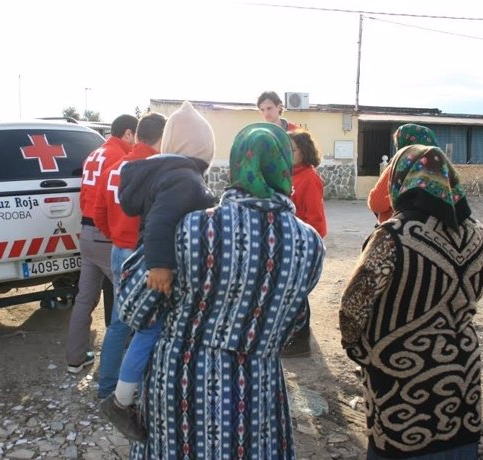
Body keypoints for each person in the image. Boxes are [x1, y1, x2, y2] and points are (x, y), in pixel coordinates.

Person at [116, 122, 325, 458]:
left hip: (181, 388)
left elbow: (132, 308)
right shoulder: (310, 245)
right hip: (257, 390)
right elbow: (295, 323)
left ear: (237, 164)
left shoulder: (194, 227)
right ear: (284, 166)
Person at [339, 144, 483, 459]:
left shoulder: (392, 235)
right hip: (462, 379)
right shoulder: (482, 238)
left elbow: (352, 310)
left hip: (402, 386)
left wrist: (364, 354)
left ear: (400, 179)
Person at [95, 101, 217, 413]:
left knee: (137, 326)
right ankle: (121, 400)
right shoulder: (183, 178)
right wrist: (160, 266)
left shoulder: (166, 173)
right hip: (158, 267)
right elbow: (162, 221)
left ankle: (127, 391)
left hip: (141, 257)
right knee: (148, 330)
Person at [65, 114, 138, 374]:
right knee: (126, 300)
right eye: (135, 136)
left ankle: (75, 358)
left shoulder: (94, 154)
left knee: (85, 298)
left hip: (86, 233)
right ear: (127, 134)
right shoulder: (118, 157)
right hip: (105, 234)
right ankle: (116, 366)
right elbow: (116, 200)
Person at [281, 128, 327, 358]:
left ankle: (301, 343)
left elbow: (316, 219)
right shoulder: (291, 174)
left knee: (298, 294)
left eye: (293, 149)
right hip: (291, 242)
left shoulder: (309, 178)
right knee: (291, 292)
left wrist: (304, 243)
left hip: (302, 244)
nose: (288, 153)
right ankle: (293, 337)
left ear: (304, 151)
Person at [367, 123, 438, 225]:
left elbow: (377, 203)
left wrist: (397, 196)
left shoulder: (398, 167)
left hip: (399, 232)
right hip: (434, 234)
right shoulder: (442, 170)